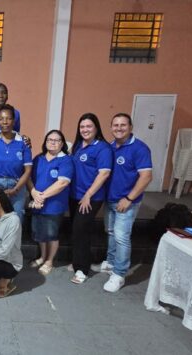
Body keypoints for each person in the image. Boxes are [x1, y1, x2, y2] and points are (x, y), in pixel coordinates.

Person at [101, 113, 152, 292]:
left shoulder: (140, 148)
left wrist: (129, 198)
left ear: (130, 127)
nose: (119, 128)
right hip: (110, 199)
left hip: (127, 201)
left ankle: (119, 274)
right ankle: (111, 262)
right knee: (110, 232)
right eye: (115, 125)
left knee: (122, 236)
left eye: (123, 125)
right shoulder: (110, 147)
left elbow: (146, 177)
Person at [69, 113, 112, 284]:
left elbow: (104, 173)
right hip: (74, 195)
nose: (85, 130)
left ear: (96, 128)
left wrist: (88, 195)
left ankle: (82, 270)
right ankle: (77, 262)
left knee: (81, 231)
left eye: (89, 126)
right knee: (76, 230)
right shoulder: (79, 145)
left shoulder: (102, 148)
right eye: (82, 127)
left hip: (90, 198)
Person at [27, 130, 73, 276]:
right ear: (45, 142)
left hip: (54, 205)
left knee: (51, 234)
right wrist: (34, 193)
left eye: (57, 140)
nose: (53, 142)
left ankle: (49, 261)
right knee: (39, 232)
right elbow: (28, 177)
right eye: (50, 139)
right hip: (37, 203)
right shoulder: (38, 158)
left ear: (62, 143)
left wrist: (41, 197)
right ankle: (42, 257)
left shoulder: (65, 160)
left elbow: (62, 183)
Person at [0, 104, 32, 224]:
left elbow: (28, 170)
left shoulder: (23, 142)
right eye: (1, 119)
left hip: (16, 186)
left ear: (14, 121)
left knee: (16, 222)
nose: (5, 122)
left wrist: (15, 189)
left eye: (8, 118)